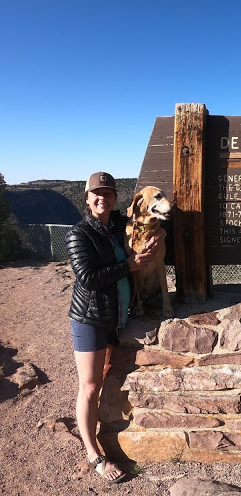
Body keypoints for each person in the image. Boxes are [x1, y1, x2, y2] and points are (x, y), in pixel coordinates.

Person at [65, 172, 164, 484]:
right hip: (90, 319)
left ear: (114, 198)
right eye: (96, 193)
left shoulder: (116, 224)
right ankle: (94, 455)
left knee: (105, 379)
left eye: (107, 192)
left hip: (116, 317)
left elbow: (147, 210)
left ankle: (97, 427)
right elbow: (88, 278)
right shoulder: (78, 234)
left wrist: (158, 233)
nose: (102, 198)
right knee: (90, 385)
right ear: (86, 198)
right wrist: (130, 265)